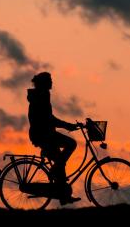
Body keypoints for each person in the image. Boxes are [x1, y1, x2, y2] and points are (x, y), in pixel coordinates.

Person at [27, 72, 81, 205]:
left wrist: (67, 125)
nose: (52, 82)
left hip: (44, 134)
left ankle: (63, 196)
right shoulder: (41, 96)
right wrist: (68, 125)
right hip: (43, 135)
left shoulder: (41, 95)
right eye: (49, 80)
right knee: (71, 144)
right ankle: (55, 171)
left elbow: (49, 118)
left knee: (60, 161)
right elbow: (49, 119)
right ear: (44, 83)